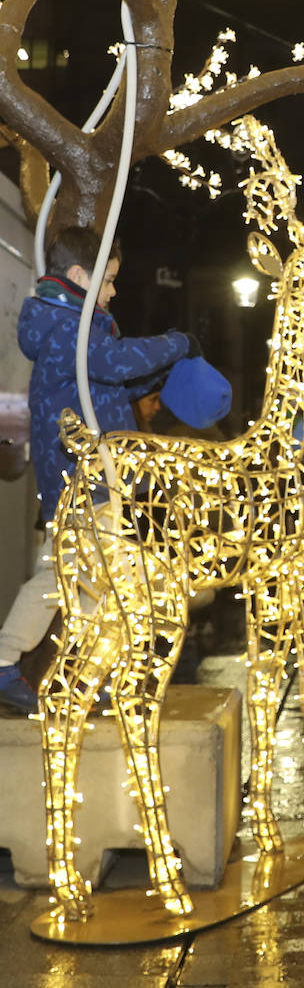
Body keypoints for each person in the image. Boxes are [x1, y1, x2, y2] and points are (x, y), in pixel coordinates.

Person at [0, 226, 195, 713]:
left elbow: (105, 385)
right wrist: (177, 344)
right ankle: (6, 662)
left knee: (88, 580)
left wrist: (156, 376)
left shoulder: (72, 327)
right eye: (107, 281)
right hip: (82, 477)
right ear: (79, 276)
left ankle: (81, 676)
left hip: (90, 477)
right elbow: (113, 362)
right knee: (66, 577)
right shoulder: (71, 327)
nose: (112, 291)